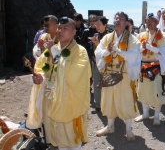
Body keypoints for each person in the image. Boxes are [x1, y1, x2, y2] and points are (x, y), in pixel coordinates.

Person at [26, 17, 91, 149]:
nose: (61, 30)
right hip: (52, 99)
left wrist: (56, 56)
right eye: (59, 28)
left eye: (65, 28)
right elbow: (43, 68)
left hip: (70, 100)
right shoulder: (52, 48)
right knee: (58, 136)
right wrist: (40, 78)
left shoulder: (80, 51)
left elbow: (75, 74)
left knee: (71, 136)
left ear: (74, 32)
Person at [94, 12, 141, 141]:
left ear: (126, 23)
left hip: (124, 75)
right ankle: (110, 126)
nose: (117, 20)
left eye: (121, 19)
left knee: (126, 100)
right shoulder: (107, 37)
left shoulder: (132, 39)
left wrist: (118, 51)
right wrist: (107, 51)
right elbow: (98, 52)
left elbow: (134, 56)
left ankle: (129, 129)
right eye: (116, 18)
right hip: (109, 73)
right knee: (109, 100)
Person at [135, 13, 165, 125]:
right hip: (143, 66)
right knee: (143, 90)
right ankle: (145, 113)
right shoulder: (141, 35)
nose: (149, 22)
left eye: (152, 20)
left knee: (157, 91)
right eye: (147, 20)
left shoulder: (163, 36)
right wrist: (142, 47)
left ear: (157, 22)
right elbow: (135, 51)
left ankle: (156, 115)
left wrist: (150, 47)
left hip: (155, 67)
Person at [89, 16, 109, 114]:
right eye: (96, 24)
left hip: (106, 63)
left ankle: (106, 106)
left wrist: (97, 44)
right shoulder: (96, 35)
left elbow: (106, 51)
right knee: (97, 83)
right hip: (96, 62)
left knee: (106, 85)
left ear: (105, 25)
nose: (97, 26)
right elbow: (94, 50)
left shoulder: (109, 36)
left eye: (99, 24)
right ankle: (98, 105)